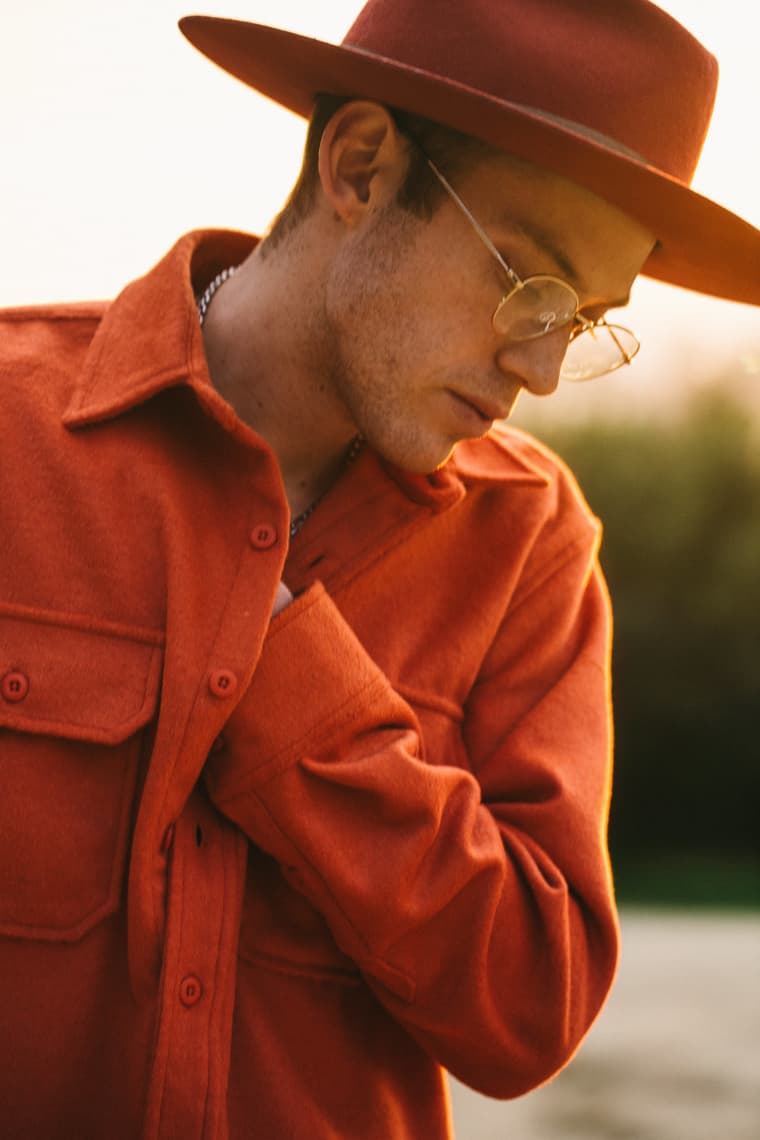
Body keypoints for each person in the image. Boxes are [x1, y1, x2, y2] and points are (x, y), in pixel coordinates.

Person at [1, 1, 758, 1137]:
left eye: (585, 320)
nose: (543, 370)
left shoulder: (531, 548)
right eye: (529, 283)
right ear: (359, 166)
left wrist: (292, 681)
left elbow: (526, 1015)